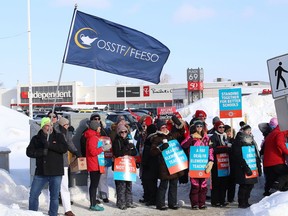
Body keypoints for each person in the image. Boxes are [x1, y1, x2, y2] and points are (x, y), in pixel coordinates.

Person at [26, 117, 68, 216]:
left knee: (54, 197)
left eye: (51, 125)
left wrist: (50, 145)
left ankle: (53, 214)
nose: (50, 127)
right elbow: (29, 152)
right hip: (41, 172)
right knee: (33, 195)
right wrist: (41, 152)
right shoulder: (36, 139)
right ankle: (32, 213)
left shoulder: (59, 136)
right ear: (42, 126)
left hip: (56, 171)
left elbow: (64, 148)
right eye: (47, 125)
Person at [150, 119, 184, 211]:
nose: (164, 128)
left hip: (173, 163)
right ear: (159, 128)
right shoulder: (156, 138)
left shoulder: (171, 135)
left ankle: (172, 203)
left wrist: (176, 120)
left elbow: (181, 132)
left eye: (165, 127)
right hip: (164, 165)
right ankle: (160, 204)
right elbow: (152, 152)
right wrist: (161, 148)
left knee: (174, 184)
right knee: (163, 185)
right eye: (162, 127)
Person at [181, 120, 214, 210]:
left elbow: (210, 150)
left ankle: (202, 203)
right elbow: (183, 145)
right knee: (195, 185)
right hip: (194, 164)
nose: (199, 128)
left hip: (203, 165)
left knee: (203, 185)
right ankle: (195, 204)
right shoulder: (191, 137)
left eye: (200, 126)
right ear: (195, 127)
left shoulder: (206, 138)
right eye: (197, 126)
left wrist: (211, 160)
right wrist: (191, 137)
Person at [232, 123, 262, 208]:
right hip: (242, 167)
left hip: (252, 165)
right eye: (247, 131)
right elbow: (238, 155)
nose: (249, 132)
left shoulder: (252, 141)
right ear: (243, 131)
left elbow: (255, 154)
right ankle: (241, 202)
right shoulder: (238, 141)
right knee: (244, 185)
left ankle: (246, 200)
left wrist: (258, 167)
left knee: (250, 184)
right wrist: (245, 167)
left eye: (250, 131)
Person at [84, 120, 112, 211]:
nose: (100, 128)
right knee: (94, 185)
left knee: (94, 184)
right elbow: (92, 152)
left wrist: (102, 146)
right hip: (94, 164)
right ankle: (93, 204)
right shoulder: (92, 138)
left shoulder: (94, 136)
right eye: (99, 127)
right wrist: (103, 148)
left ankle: (93, 203)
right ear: (95, 127)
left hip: (96, 163)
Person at [57, 117, 81, 216]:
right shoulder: (56, 132)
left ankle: (67, 209)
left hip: (64, 163)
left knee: (64, 186)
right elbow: (66, 144)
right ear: (62, 125)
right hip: (55, 162)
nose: (67, 126)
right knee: (53, 187)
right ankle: (52, 208)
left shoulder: (66, 132)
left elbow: (70, 143)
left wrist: (75, 151)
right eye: (66, 125)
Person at [112, 124, 137, 210]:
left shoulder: (129, 140)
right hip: (120, 166)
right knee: (121, 185)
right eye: (121, 132)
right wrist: (126, 149)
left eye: (125, 131)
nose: (123, 133)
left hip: (128, 165)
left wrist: (130, 149)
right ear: (119, 133)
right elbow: (117, 153)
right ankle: (121, 203)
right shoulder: (116, 141)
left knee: (129, 185)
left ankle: (129, 202)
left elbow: (134, 152)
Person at [263, 117, 288, 195]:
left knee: (271, 179)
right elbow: (280, 144)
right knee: (286, 174)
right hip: (276, 161)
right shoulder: (279, 133)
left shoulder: (272, 133)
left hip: (267, 163)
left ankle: (267, 194)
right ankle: (276, 187)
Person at [210, 120, 230, 207]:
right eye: (220, 127)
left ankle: (222, 200)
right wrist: (225, 148)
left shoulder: (225, 137)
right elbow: (213, 149)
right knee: (216, 183)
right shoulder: (213, 137)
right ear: (216, 128)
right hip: (216, 164)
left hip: (224, 163)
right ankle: (215, 201)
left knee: (224, 183)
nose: (222, 129)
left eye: (223, 127)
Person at [140, 124, 158, 206]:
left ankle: (152, 199)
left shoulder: (152, 138)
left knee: (150, 182)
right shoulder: (150, 138)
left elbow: (149, 152)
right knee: (147, 181)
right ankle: (148, 197)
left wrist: (145, 162)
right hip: (150, 163)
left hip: (150, 163)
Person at [224, 124, 236, 203]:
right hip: (224, 163)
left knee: (232, 182)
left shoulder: (235, 141)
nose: (229, 134)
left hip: (233, 163)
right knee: (224, 182)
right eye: (228, 132)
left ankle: (231, 198)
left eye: (230, 132)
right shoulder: (223, 140)